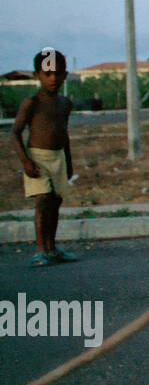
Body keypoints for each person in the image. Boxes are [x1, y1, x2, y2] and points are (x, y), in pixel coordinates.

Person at [12, 49, 76, 266]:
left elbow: (64, 133)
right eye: (47, 74)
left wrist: (68, 162)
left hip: (58, 157)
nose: (53, 79)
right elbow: (15, 133)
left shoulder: (65, 103)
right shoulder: (31, 103)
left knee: (55, 202)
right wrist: (26, 161)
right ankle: (40, 250)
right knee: (42, 201)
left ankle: (51, 247)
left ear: (65, 75)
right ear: (36, 75)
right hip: (37, 158)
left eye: (58, 74)